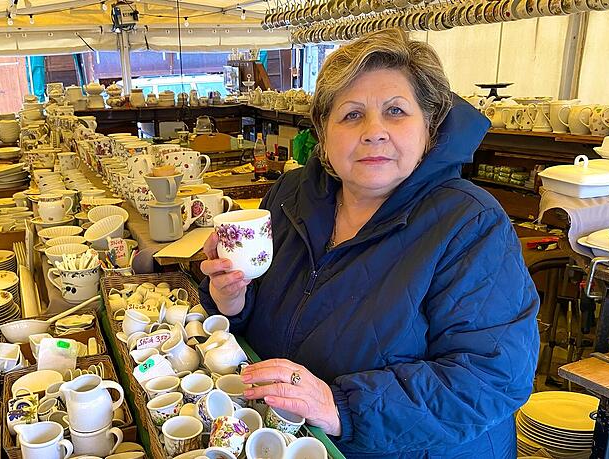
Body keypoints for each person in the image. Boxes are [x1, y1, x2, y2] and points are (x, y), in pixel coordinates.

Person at [199, 28, 539, 457]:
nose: (374, 131)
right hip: (289, 438)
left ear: (429, 128)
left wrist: (339, 406)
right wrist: (230, 302)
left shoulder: (469, 223)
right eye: (352, 114)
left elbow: (491, 378)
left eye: (396, 111)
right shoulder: (289, 195)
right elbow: (271, 316)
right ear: (322, 132)